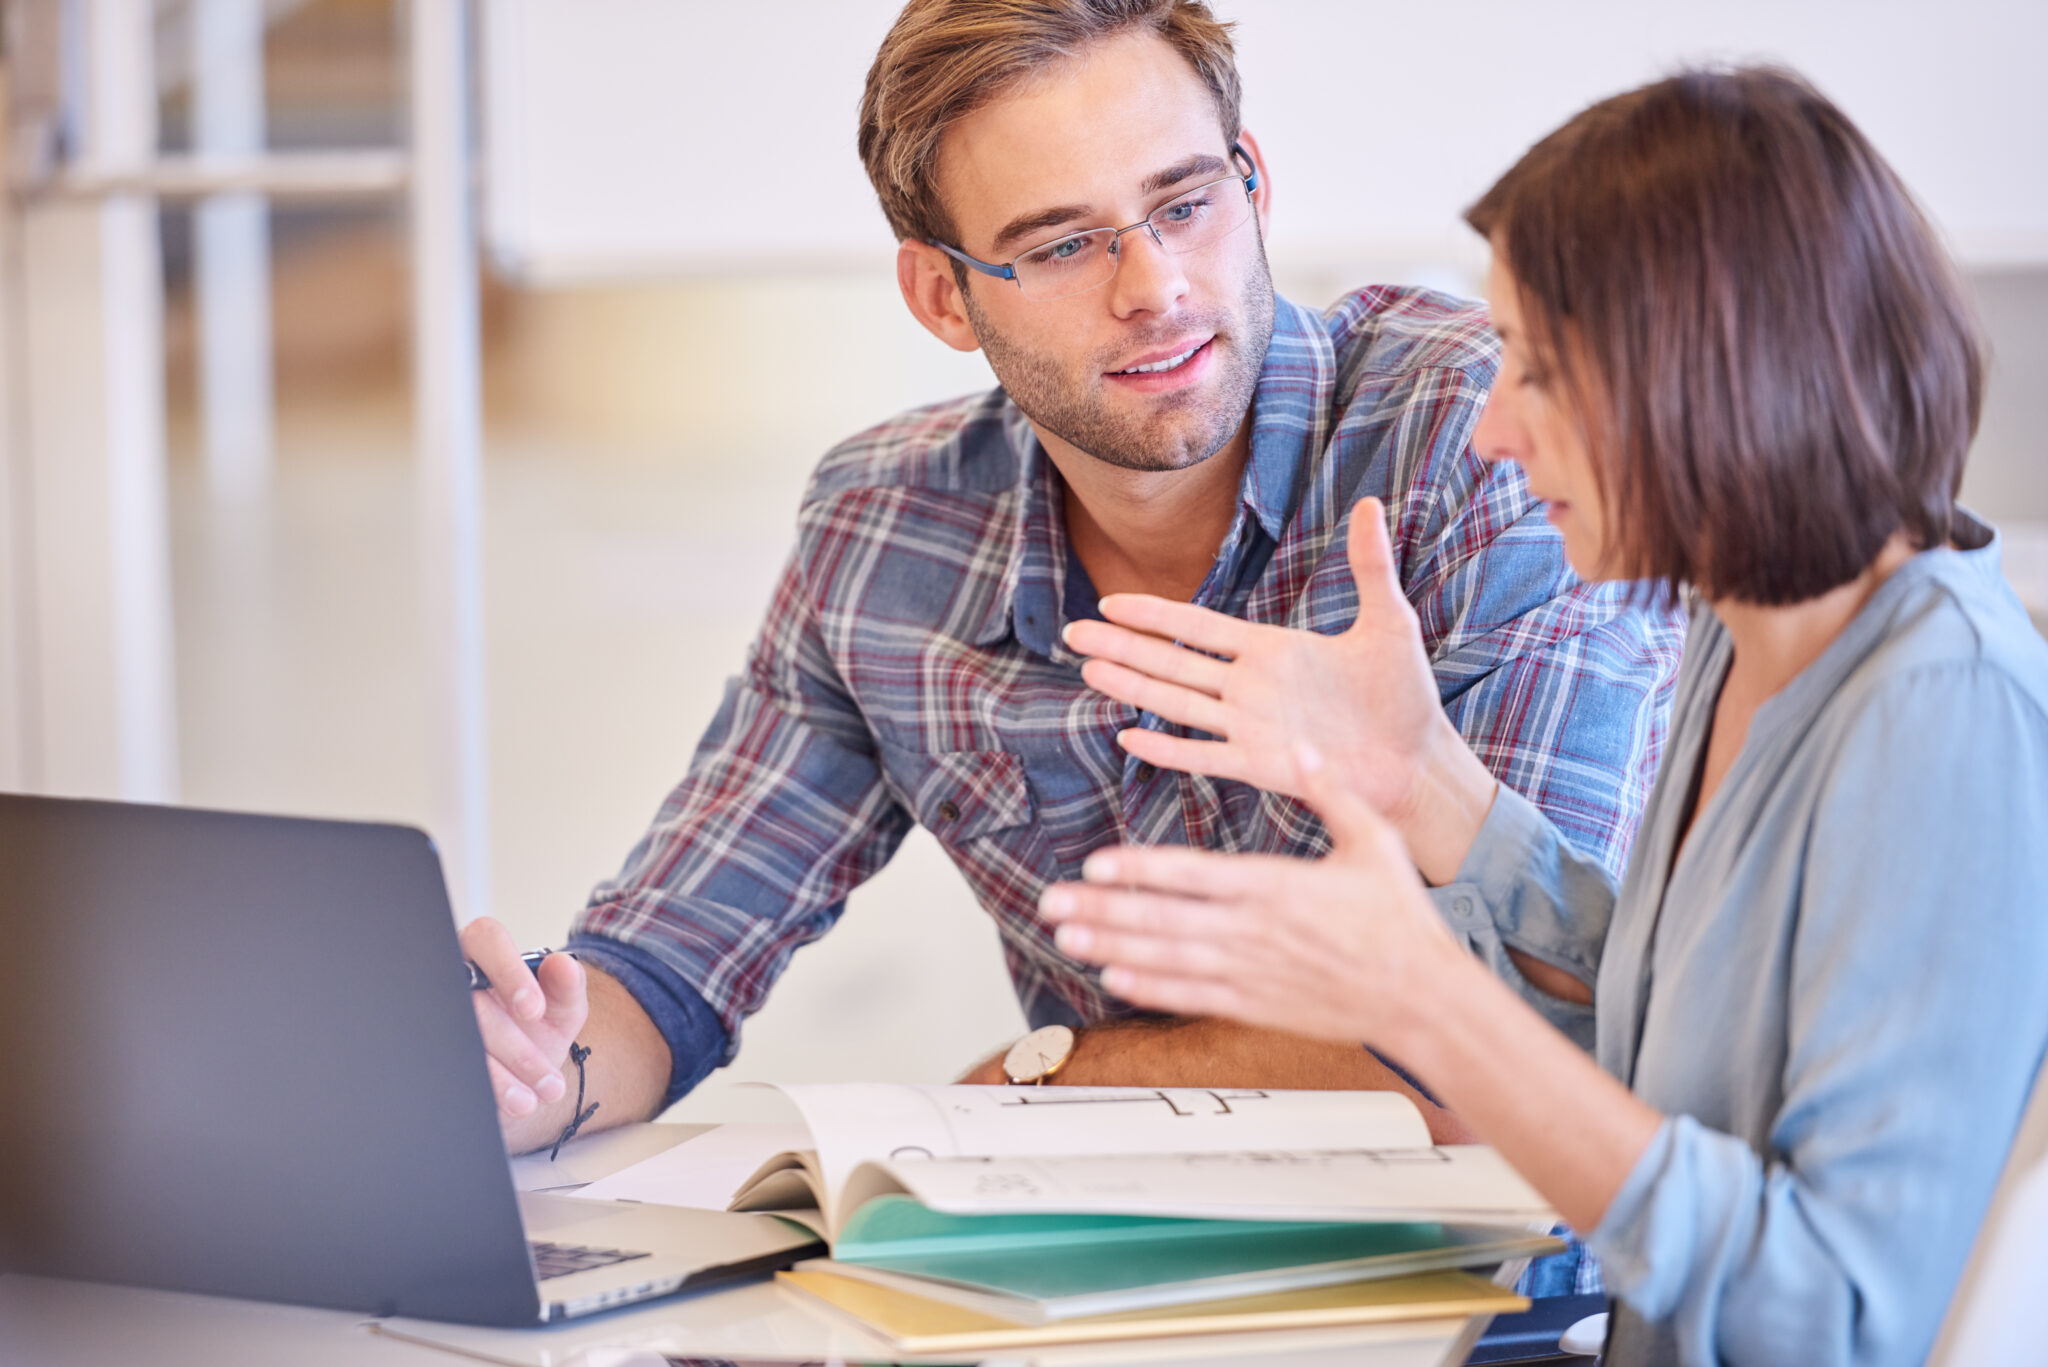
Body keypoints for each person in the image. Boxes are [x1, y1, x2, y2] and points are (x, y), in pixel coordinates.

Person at [460, 0, 1680, 1164]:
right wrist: (532, 1071)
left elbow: (1539, 1036)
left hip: (1496, 1280)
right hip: (1091, 1275)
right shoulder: (889, 531)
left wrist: (1038, 1080)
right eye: (1059, 244)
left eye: (1185, 204)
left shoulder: (1480, 440)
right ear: (942, 295)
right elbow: (670, 962)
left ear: (1250, 178)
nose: (1152, 286)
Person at [1037, 66, 2048, 1367]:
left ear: (1710, 373)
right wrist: (1424, 784)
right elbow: (1657, 1058)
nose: (1496, 429)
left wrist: (1425, 1000)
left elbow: (1833, 1309)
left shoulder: (1943, 707)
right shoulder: (1747, 633)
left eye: (1541, 370)